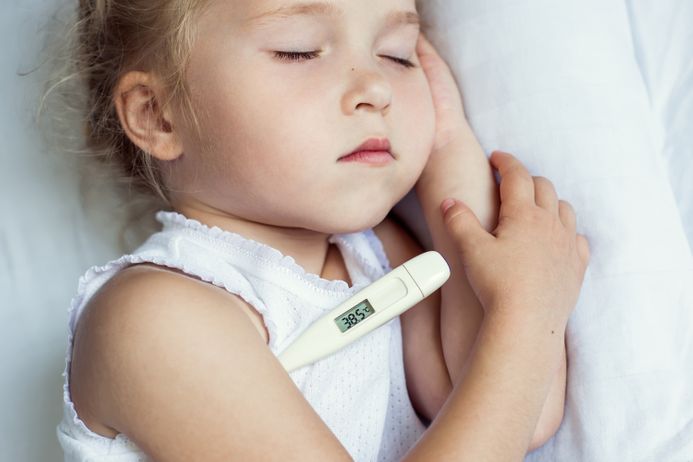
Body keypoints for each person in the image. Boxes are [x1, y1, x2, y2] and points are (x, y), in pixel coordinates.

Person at [53, 0, 590, 460]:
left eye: (398, 55)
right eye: (299, 50)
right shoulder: (153, 318)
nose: (377, 88)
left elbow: (518, 411)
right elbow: (511, 377)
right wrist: (526, 312)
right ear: (158, 115)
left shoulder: (375, 257)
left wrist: (446, 149)